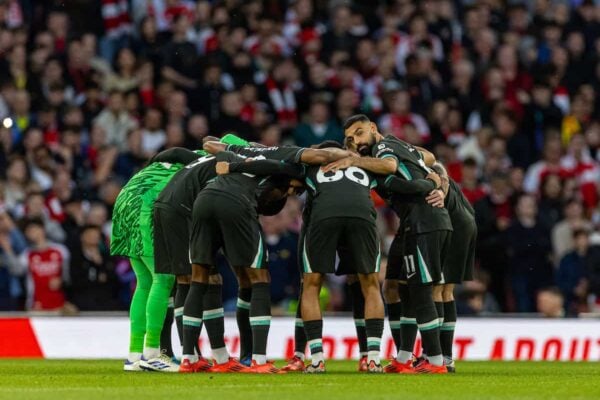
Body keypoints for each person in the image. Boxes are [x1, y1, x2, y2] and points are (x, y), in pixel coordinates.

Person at [326, 114, 450, 374]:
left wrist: (355, 158)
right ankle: (408, 357)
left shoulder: (384, 148)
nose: (357, 141)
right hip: (419, 222)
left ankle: (436, 361)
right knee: (402, 286)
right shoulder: (399, 146)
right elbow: (428, 159)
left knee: (420, 290)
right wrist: (434, 180)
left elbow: (391, 166)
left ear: (373, 128)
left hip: (424, 221)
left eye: (360, 133)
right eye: (350, 138)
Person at [185, 150, 305, 373]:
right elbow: (281, 168)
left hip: (204, 199)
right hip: (235, 203)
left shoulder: (242, 157)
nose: (294, 192)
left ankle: (189, 359)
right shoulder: (283, 168)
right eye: (295, 189)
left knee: (200, 277)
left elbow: (216, 146)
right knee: (259, 278)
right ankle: (258, 360)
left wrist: (229, 164)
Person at [111, 147, 204, 372]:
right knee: (163, 279)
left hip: (124, 202)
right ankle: (152, 353)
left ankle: (134, 355)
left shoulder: (156, 168)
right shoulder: (199, 165)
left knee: (144, 282)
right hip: (145, 206)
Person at [296, 141, 385, 373]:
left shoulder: (311, 167)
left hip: (323, 216)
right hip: (362, 216)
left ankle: (316, 360)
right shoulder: (364, 167)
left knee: (311, 284)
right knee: (371, 284)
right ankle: (373, 359)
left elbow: (291, 184)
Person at [428, 162, 477, 372]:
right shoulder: (443, 173)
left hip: (453, 227)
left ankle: (436, 356)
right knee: (447, 291)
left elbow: (443, 182)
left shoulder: (433, 173)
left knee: (436, 289)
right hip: (466, 224)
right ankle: (446, 356)